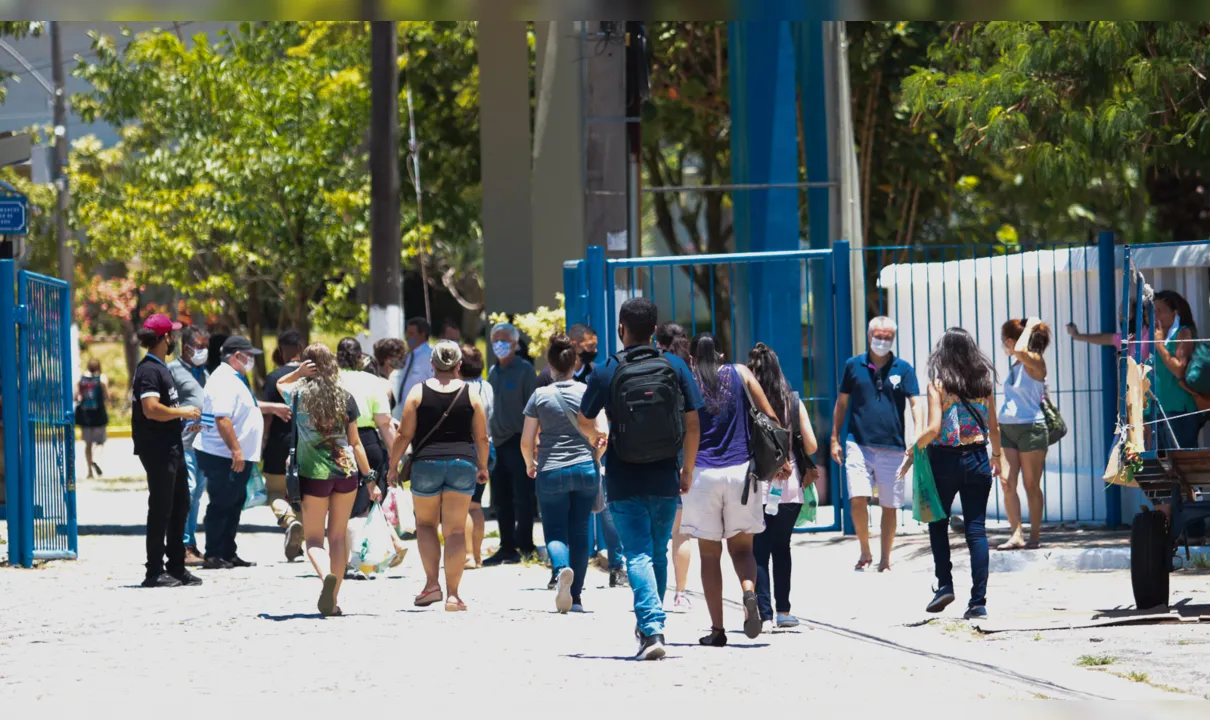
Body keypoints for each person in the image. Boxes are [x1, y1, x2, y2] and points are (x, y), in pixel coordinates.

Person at [579, 298, 703, 661]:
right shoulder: (675, 365)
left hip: (624, 474)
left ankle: (651, 629)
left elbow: (584, 417)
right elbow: (694, 422)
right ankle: (654, 622)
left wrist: (597, 436)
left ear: (622, 330)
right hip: (665, 472)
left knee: (637, 553)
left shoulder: (606, 371)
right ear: (654, 329)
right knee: (657, 551)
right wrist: (688, 468)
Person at [681, 333, 782, 646]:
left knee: (710, 556)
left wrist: (683, 471)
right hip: (742, 474)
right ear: (721, 355)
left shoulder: (687, 380)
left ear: (692, 358)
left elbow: (683, 428)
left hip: (702, 474)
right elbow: (770, 416)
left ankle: (717, 630)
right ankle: (749, 591)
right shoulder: (740, 373)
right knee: (742, 550)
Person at [906, 327, 1004, 620]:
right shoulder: (983, 382)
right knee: (976, 530)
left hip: (944, 461)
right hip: (977, 458)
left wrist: (912, 449)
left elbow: (934, 428)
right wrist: (997, 456)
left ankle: (945, 585)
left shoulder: (938, 384)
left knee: (938, 522)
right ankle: (978, 602)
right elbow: (994, 426)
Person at [387, 341, 491, 612]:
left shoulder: (417, 393)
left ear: (432, 364)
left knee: (426, 525)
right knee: (456, 530)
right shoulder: (472, 393)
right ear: (459, 365)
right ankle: (454, 596)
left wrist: (392, 466)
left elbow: (404, 434)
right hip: (462, 464)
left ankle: (432, 584)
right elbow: (481, 436)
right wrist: (482, 466)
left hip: (426, 465)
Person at [277, 344, 378, 616]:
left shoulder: (297, 394)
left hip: (314, 475)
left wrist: (297, 372)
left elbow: (279, 383)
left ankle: (326, 580)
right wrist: (370, 480)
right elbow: (356, 443)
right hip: (346, 473)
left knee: (313, 541)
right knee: (337, 537)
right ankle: (332, 601)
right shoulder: (345, 397)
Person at [521, 334, 609, 613]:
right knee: (581, 531)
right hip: (584, 468)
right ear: (574, 364)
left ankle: (561, 571)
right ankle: (578, 597)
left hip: (551, 469)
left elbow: (526, 440)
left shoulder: (540, 395)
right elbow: (602, 434)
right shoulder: (587, 392)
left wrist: (529, 464)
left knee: (555, 530)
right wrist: (595, 459)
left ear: (549, 365)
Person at [830, 316, 923, 572]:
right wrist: (834, 438)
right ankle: (865, 551)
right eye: (878, 336)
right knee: (857, 498)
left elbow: (915, 402)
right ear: (869, 336)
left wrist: (918, 435)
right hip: (857, 443)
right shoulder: (853, 365)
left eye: (888, 336)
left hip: (893, 446)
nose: (883, 341)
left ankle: (885, 559)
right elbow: (842, 403)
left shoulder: (903, 368)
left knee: (890, 506)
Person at [748, 342, 819, 631]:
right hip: (790, 487)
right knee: (782, 548)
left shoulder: (747, 403)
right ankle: (784, 612)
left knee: (758, 549)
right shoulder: (792, 400)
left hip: (757, 485)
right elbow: (812, 444)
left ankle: (763, 613)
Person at [131, 314, 203, 588]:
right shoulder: (149, 369)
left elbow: (163, 411)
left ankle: (176, 566)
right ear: (163, 339)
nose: (173, 338)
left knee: (180, 504)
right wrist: (181, 411)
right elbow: (151, 409)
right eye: (171, 334)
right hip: (158, 449)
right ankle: (154, 571)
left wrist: (183, 421)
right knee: (161, 508)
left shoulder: (160, 368)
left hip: (172, 446)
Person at [195, 336, 268, 570]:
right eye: (249, 356)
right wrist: (236, 450)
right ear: (237, 356)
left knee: (234, 503)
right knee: (221, 503)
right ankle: (214, 553)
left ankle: (228, 551)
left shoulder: (234, 378)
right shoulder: (224, 380)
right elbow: (222, 418)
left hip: (237, 455)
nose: (252, 361)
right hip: (223, 455)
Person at [483, 322, 539, 565]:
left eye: (504, 340)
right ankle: (507, 547)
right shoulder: (493, 371)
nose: (499, 345)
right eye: (495, 339)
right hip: (497, 444)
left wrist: (534, 442)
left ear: (515, 344)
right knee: (500, 499)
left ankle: (525, 545)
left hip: (519, 441)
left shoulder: (525, 371)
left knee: (523, 497)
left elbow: (534, 408)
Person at [997, 318, 1052, 551]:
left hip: (1031, 428)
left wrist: (1028, 328)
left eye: (1004, 341)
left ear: (1012, 341)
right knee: (1006, 483)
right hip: (1008, 429)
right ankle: (1016, 533)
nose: (1004, 346)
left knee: (1031, 485)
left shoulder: (1035, 362)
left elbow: (1021, 349)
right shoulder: (1017, 366)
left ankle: (1035, 536)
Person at [656, 322, 693, 610]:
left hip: (654, 451)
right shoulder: (688, 368)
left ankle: (654, 591)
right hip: (686, 453)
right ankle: (681, 592)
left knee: (657, 529)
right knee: (681, 531)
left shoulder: (655, 363)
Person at [167, 326, 210, 566]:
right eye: (200, 347)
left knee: (196, 496)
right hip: (183, 443)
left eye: (206, 347)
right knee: (188, 490)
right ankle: (181, 544)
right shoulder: (171, 370)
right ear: (187, 348)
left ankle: (190, 543)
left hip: (203, 443)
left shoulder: (204, 372)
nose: (203, 351)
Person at [262, 331, 306, 561]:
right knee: (302, 494)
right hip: (307, 444)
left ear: (280, 349)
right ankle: (299, 541)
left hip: (280, 443)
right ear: (302, 346)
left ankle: (288, 520)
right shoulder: (311, 377)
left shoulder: (274, 377)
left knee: (276, 491)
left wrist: (262, 443)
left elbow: (267, 417)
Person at [1151, 291, 1201, 451]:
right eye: (1154, 311)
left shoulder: (1183, 332)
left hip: (1179, 412)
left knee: (1181, 465)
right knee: (1164, 469)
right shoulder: (1162, 336)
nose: (1156, 315)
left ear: (1175, 312)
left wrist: (1159, 345)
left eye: (1160, 310)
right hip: (1161, 411)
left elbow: (1179, 369)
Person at [460, 344, 494, 569]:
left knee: (463, 507)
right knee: (476, 505)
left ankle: (468, 555)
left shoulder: (458, 388)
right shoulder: (487, 386)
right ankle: (479, 555)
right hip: (488, 447)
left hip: (466, 449)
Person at [390, 318, 435, 421]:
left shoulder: (430, 357)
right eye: (407, 333)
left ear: (422, 335)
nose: (407, 337)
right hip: (399, 412)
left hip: (418, 412)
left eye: (411, 333)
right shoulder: (407, 356)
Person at [76, 358, 110, 480]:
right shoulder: (102, 379)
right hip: (98, 415)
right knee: (100, 442)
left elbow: (76, 396)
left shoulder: (81, 380)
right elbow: (107, 396)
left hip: (85, 416)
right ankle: (95, 459)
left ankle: (89, 470)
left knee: (87, 443)